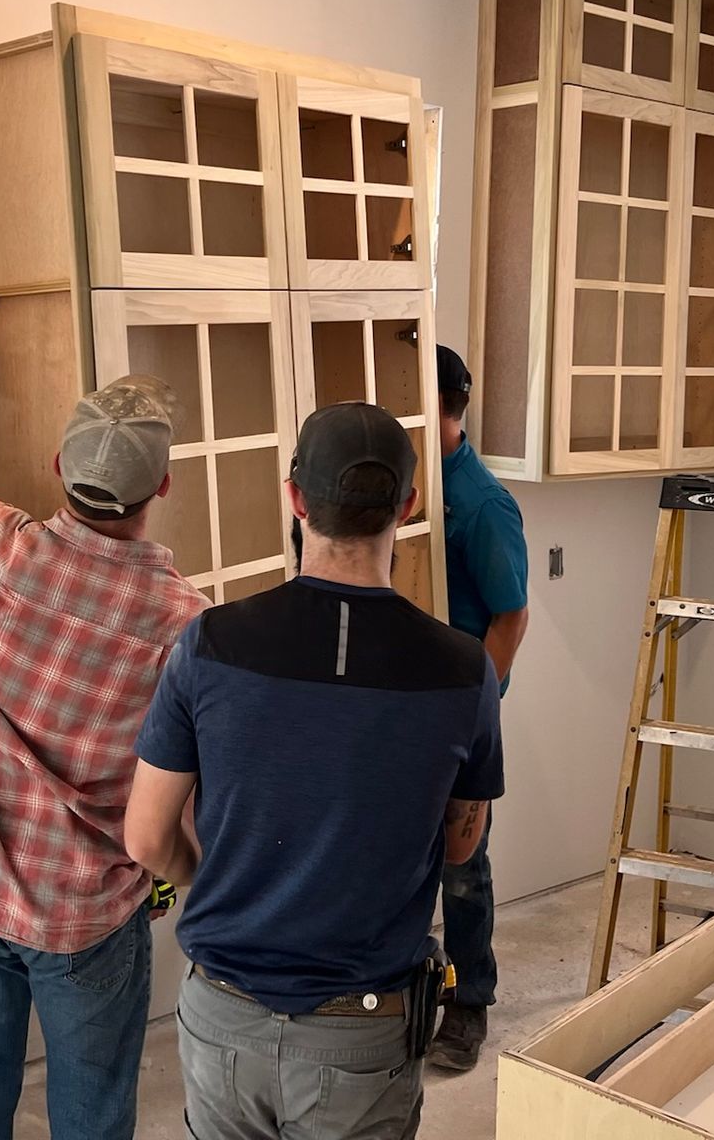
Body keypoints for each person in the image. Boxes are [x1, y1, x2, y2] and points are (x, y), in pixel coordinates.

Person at [125, 402, 505, 1140]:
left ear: (296, 499)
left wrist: (213, 876)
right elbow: (462, 844)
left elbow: (144, 838)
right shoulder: (464, 670)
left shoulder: (209, 643)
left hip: (222, 1016)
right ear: (408, 505)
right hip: (363, 1028)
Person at [0, 296, 206, 1140]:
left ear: (60, 464)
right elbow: (189, 786)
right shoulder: (186, 626)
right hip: (87, 917)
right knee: (91, 1122)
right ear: (162, 486)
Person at [429, 345, 531, 1073]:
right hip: (402, 706)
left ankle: (469, 1001)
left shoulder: (481, 503)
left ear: (443, 409)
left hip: (457, 712)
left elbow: (510, 615)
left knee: (463, 868)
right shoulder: (406, 480)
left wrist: (478, 709)